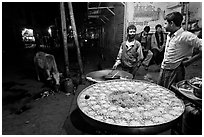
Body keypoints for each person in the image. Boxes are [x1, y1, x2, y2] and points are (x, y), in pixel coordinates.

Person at [157, 12, 202, 89]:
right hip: (164, 68)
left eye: (165, 23)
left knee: (172, 93)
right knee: (161, 90)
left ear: (171, 23)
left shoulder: (186, 36)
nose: (164, 26)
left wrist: (189, 61)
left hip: (175, 71)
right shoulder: (169, 35)